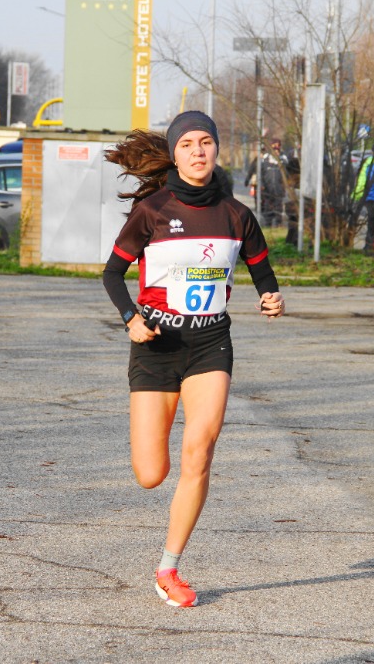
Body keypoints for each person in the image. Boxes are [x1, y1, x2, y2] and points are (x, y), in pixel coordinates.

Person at [102, 111, 284, 608]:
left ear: (217, 149)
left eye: (206, 142)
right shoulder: (153, 211)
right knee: (150, 474)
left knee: (199, 452)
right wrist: (130, 319)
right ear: (175, 154)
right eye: (187, 144)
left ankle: (168, 567)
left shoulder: (237, 215)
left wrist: (271, 298)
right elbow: (113, 274)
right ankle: (165, 547)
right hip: (157, 346)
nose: (198, 151)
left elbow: (263, 273)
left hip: (210, 344)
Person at [244, 139, 286, 226]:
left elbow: (287, 175)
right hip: (266, 190)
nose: (276, 150)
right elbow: (257, 173)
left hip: (279, 190)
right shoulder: (263, 160)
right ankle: (267, 224)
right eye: (274, 148)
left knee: (278, 209)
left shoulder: (283, 160)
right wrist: (250, 181)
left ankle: (278, 225)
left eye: (277, 148)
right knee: (266, 208)